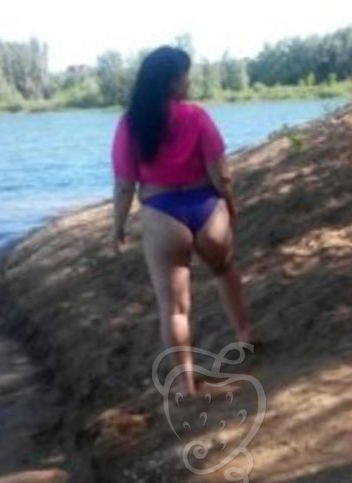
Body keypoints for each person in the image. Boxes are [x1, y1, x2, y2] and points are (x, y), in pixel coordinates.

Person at [110, 45, 253, 398]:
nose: (189, 81)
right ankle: (244, 338)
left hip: (162, 214)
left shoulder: (131, 123)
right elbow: (220, 173)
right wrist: (229, 204)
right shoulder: (197, 115)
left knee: (173, 307)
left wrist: (118, 227)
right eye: (185, 75)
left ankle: (186, 384)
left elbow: (125, 184)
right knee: (226, 271)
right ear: (172, 80)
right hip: (206, 208)